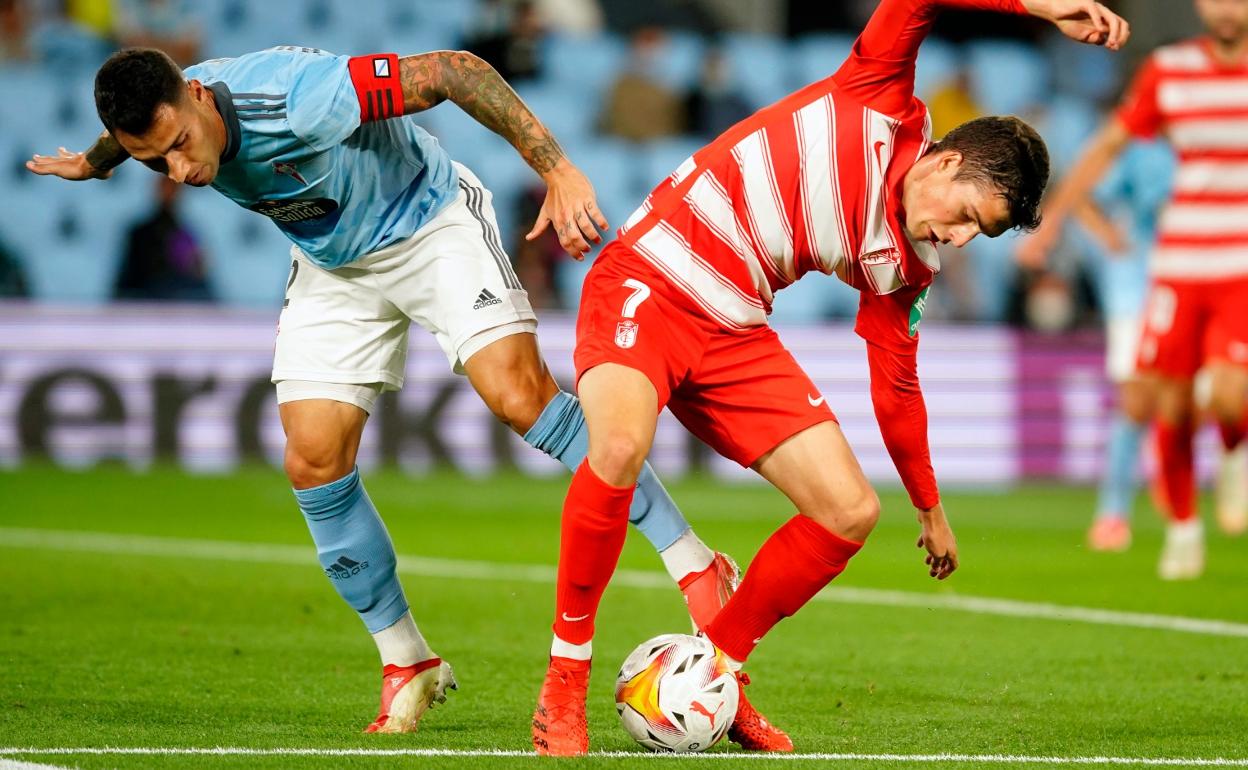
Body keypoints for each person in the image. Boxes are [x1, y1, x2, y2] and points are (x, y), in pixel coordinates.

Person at [26, 44, 740, 736]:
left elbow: (456, 72)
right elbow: (140, 131)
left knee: (521, 398)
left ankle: (693, 562)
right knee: (313, 459)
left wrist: (557, 169)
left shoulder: (302, 98)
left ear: (200, 96)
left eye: (180, 143)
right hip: (334, 263)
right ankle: (408, 660)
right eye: (156, 159)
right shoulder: (163, 120)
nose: (179, 170)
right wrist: (96, 162)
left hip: (426, 223)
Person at [530, 0, 1128, 756]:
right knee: (617, 447)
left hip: (733, 328)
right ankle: (563, 684)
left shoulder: (910, 264)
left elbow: (896, 386)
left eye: (981, 233)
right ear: (944, 162)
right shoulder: (875, 96)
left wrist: (929, 506)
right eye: (968, 214)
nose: (961, 237)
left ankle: (715, 673)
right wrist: (1039, 7)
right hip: (651, 278)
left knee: (848, 510)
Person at [1017, 0, 1248, 579]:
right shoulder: (1170, 70)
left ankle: (1234, 451)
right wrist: (1053, 224)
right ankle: (1183, 525)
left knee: (1227, 393)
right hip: (1175, 266)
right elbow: (1104, 149)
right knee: (1162, 400)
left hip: (1239, 265)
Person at [1070, 142, 1173, 552]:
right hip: (1134, 290)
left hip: (1189, 286)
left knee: (1190, 397)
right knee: (1134, 402)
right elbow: (1082, 196)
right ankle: (1113, 514)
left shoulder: (1206, 143)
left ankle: (1172, 485)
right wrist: (1110, 237)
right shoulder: (1139, 151)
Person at [115, 175, 212, 301]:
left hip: (180, 303)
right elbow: (128, 278)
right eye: (166, 187)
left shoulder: (186, 233)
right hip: (147, 303)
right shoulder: (140, 233)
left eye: (174, 188)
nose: (170, 192)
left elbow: (199, 277)